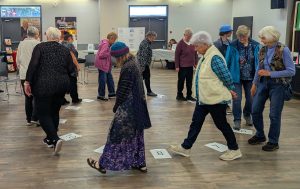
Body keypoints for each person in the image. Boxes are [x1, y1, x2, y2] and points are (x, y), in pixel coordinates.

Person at [169, 31, 242, 161]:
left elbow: (226, 76)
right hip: (204, 99)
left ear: (204, 44)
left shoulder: (214, 57)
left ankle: (234, 149)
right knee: (195, 123)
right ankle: (186, 147)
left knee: (222, 125)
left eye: (197, 46)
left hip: (215, 99)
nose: (195, 50)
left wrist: (231, 89)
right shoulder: (206, 55)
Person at [87, 42, 151, 174]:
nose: (115, 60)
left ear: (120, 56)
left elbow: (123, 91)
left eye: (115, 58)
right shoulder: (135, 62)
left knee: (116, 134)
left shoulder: (127, 67)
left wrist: (116, 106)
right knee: (137, 134)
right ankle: (140, 163)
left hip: (129, 107)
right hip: (139, 105)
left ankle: (102, 164)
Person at [24, 27, 76, 155]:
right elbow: (71, 69)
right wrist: (70, 85)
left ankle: (55, 138)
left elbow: (33, 65)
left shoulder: (40, 48)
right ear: (58, 37)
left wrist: (27, 81)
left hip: (43, 84)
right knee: (54, 111)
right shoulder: (65, 49)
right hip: (61, 84)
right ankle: (49, 138)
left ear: (47, 36)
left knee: (42, 113)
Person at [248, 26, 296, 151]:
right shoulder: (262, 49)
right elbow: (259, 68)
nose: (261, 40)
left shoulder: (283, 50)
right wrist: (254, 84)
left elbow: (291, 71)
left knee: (274, 115)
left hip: (278, 85)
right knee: (255, 110)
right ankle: (260, 135)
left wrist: (270, 74)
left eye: (263, 37)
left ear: (271, 37)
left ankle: (273, 142)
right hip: (263, 83)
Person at [225, 25, 260, 130]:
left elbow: (258, 61)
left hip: (251, 77)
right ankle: (237, 119)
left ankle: (247, 114)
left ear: (248, 35)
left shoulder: (255, 45)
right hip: (236, 77)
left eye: (243, 36)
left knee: (251, 99)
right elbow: (227, 61)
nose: (241, 39)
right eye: (240, 37)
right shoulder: (232, 45)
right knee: (237, 99)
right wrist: (226, 77)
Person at [17, 26, 40, 126]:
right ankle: (35, 117)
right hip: (36, 74)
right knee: (37, 96)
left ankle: (28, 119)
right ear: (36, 34)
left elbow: (18, 61)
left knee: (28, 97)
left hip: (23, 74)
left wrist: (22, 68)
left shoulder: (21, 44)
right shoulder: (38, 44)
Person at [214, 24, 233, 114]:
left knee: (227, 87)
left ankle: (225, 105)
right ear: (227, 32)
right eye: (230, 31)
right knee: (219, 87)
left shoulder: (230, 43)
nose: (231, 33)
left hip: (228, 68)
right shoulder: (216, 44)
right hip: (219, 69)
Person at [175, 28, 198, 101]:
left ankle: (189, 95)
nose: (189, 38)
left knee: (189, 82)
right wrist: (177, 66)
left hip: (190, 66)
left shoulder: (192, 43)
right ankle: (179, 95)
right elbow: (177, 55)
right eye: (188, 36)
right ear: (184, 35)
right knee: (181, 81)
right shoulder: (180, 43)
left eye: (190, 36)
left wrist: (195, 63)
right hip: (182, 66)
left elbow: (195, 53)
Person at [95, 32, 117, 101]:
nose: (114, 41)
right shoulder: (105, 44)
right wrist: (110, 52)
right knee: (103, 80)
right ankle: (101, 95)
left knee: (109, 78)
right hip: (102, 65)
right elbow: (101, 55)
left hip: (106, 65)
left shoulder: (107, 44)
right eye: (114, 39)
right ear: (111, 38)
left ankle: (112, 93)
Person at [62, 32, 82, 104]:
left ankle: (62, 100)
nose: (73, 40)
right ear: (69, 39)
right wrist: (77, 66)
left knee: (63, 84)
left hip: (63, 67)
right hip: (71, 67)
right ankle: (75, 99)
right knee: (73, 83)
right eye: (72, 38)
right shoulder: (70, 45)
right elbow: (73, 57)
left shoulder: (61, 44)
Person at [137, 31, 157, 97]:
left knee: (145, 78)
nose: (154, 39)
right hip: (143, 64)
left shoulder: (147, 42)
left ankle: (147, 91)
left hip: (145, 64)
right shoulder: (145, 43)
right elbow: (143, 56)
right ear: (150, 36)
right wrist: (143, 67)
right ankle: (148, 91)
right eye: (154, 37)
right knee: (145, 78)